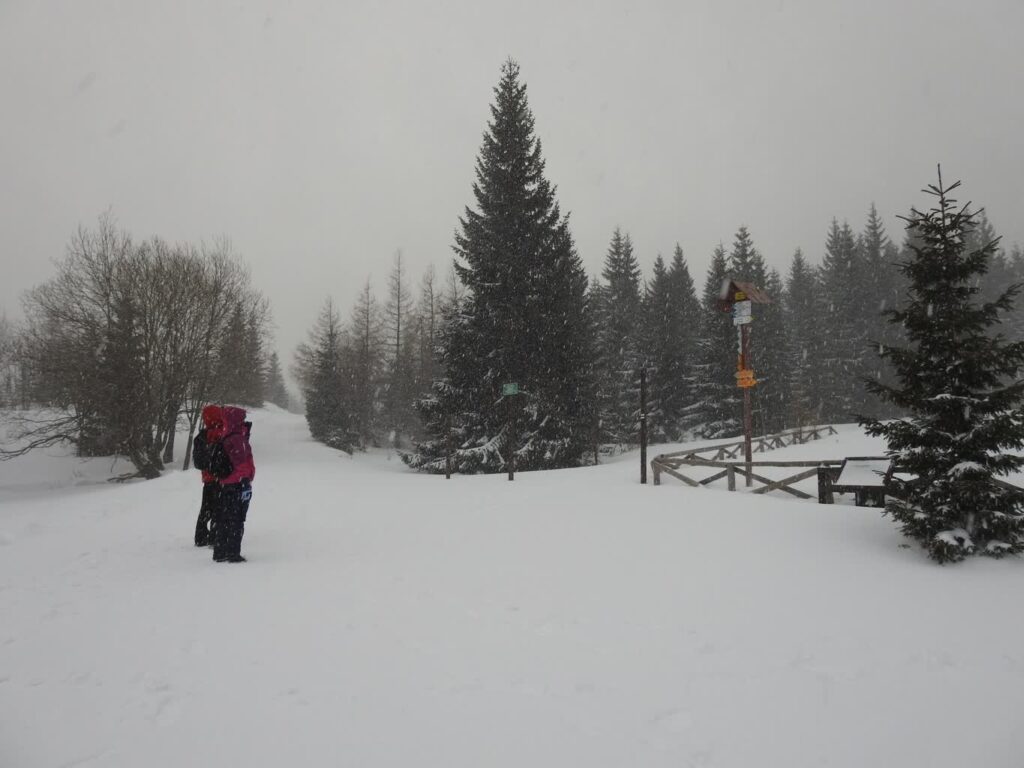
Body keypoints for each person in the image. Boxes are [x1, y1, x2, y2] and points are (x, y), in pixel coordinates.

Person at [208, 406, 255, 563]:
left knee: (223, 518)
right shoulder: (237, 439)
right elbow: (242, 463)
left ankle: (220, 551)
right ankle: (233, 553)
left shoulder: (225, 435)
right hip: (237, 484)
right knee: (237, 519)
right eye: (241, 418)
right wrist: (247, 479)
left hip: (224, 483)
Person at [191, 405, 225, 547]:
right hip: (222, 477)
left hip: (208, 478)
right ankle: (215, 536)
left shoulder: (202, 436)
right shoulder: (223, 433)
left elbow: (199, 461)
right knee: (219, 508)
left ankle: (200, 536)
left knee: (206, 508)